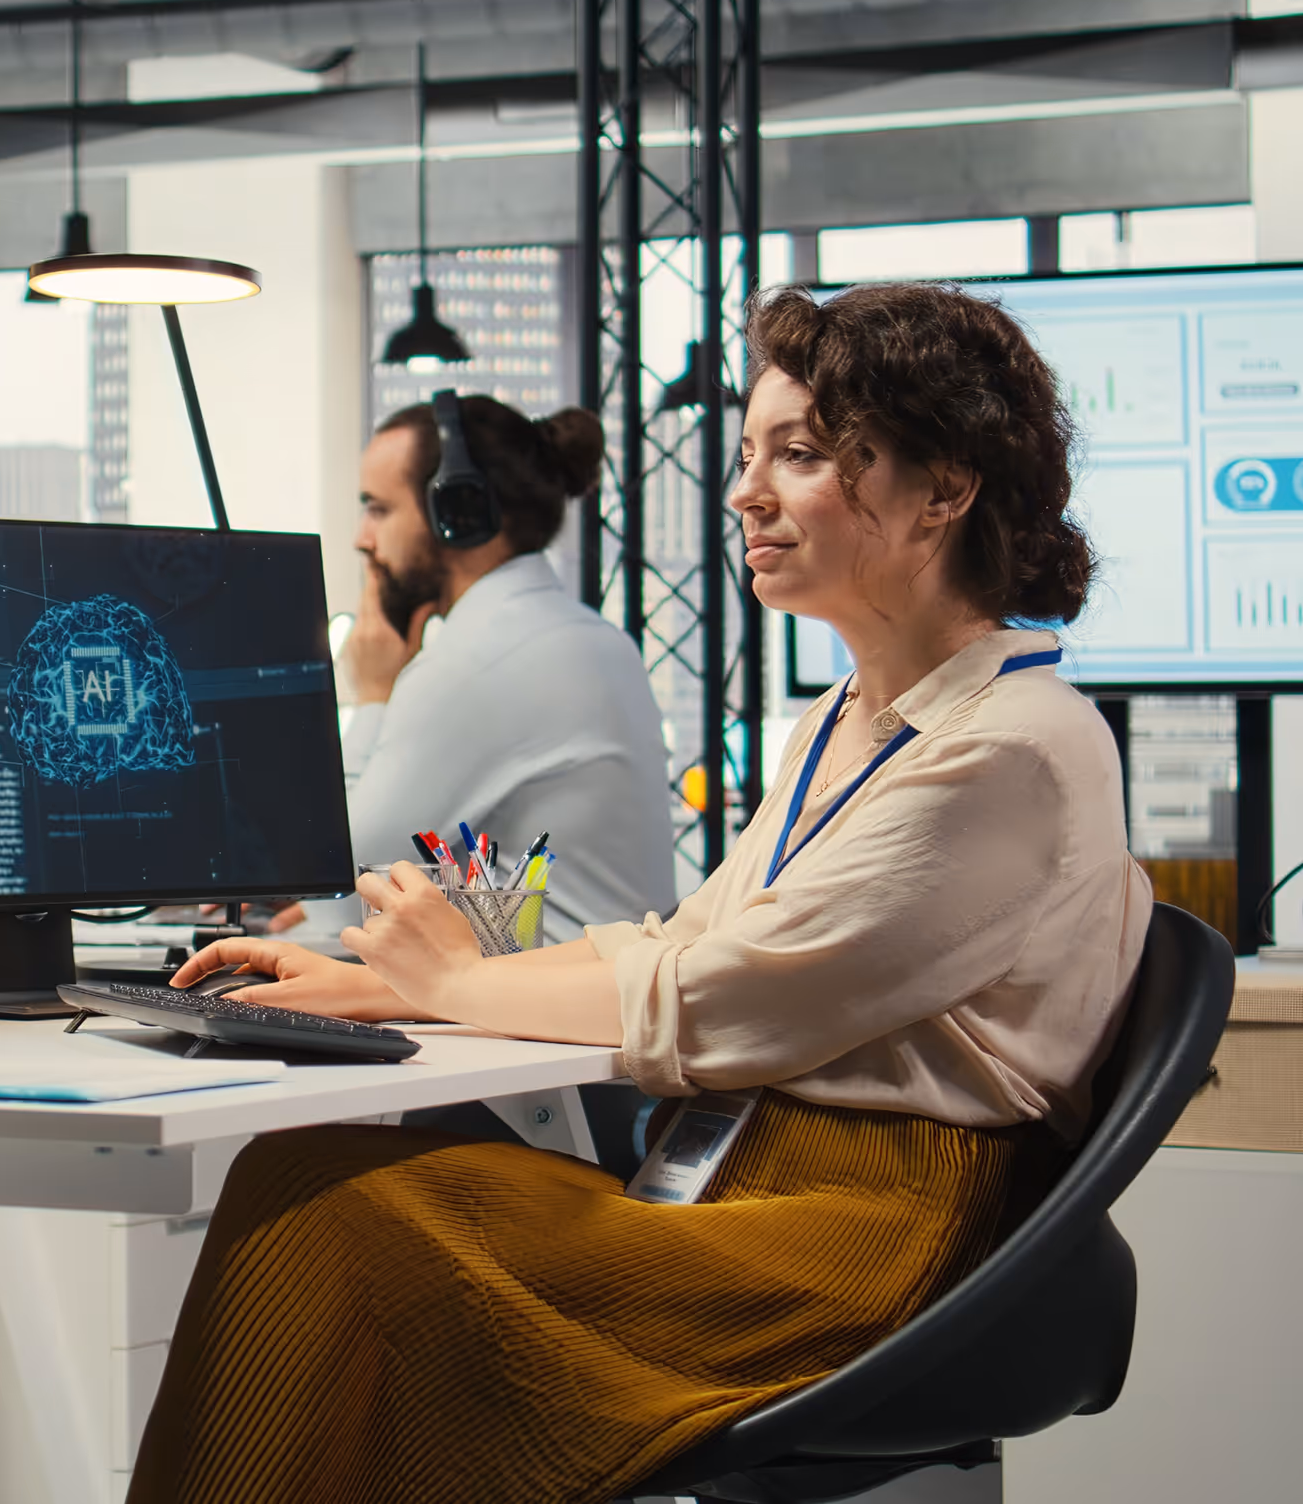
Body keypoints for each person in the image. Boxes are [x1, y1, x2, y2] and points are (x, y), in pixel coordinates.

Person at [127, 283, 1150, 1504]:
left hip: (876, 1234)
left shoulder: (1013, 744)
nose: (746, 494)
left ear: (945, 489)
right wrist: (389, 984)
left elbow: (721, 1002)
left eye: (804, 455)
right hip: (765, 1183)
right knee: (309, 1179)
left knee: (332, 1213)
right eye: (751, 454)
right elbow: (685, 940)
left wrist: (451, 978)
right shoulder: (851, 721)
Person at [278, 394, 674, 947]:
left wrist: (374, 695)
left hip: (539, 1019)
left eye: (378, 508)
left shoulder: (477, 661)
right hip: (592, 999)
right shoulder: (591, 637)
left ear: (458, 514)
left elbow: (334, 895)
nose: (362, 538)